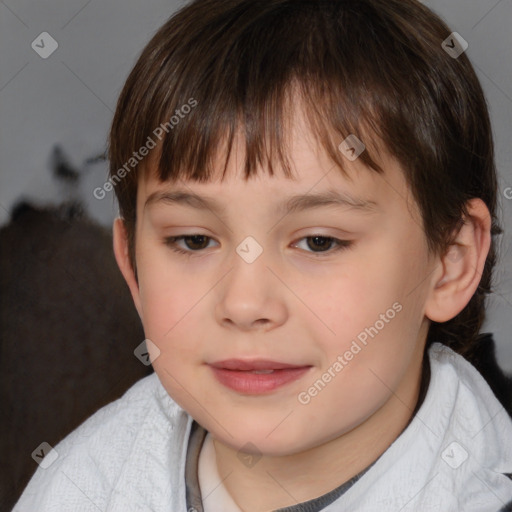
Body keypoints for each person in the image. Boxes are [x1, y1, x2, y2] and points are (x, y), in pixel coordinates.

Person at [13, 0, 512, 510]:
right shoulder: (81, 484)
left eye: (319, 241)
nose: (246, 304)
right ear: (133, 267)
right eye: (194, 240)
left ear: (450, 261)